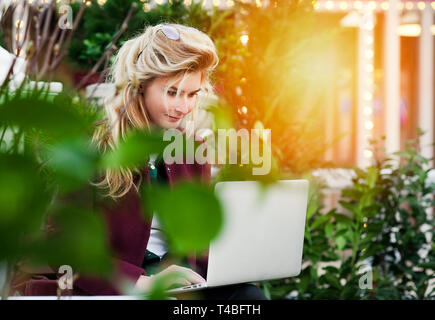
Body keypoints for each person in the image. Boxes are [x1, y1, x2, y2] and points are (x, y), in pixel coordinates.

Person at [12, 23, 266, 300]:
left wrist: (234, 263)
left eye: (192, 94)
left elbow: (196, 245)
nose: (183, 106)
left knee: (248, 297)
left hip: (179, 285)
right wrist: (144, 282)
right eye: (172, 92)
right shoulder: (92, 147)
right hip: (118, 290)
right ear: (140, 86)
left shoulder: (192, 150)